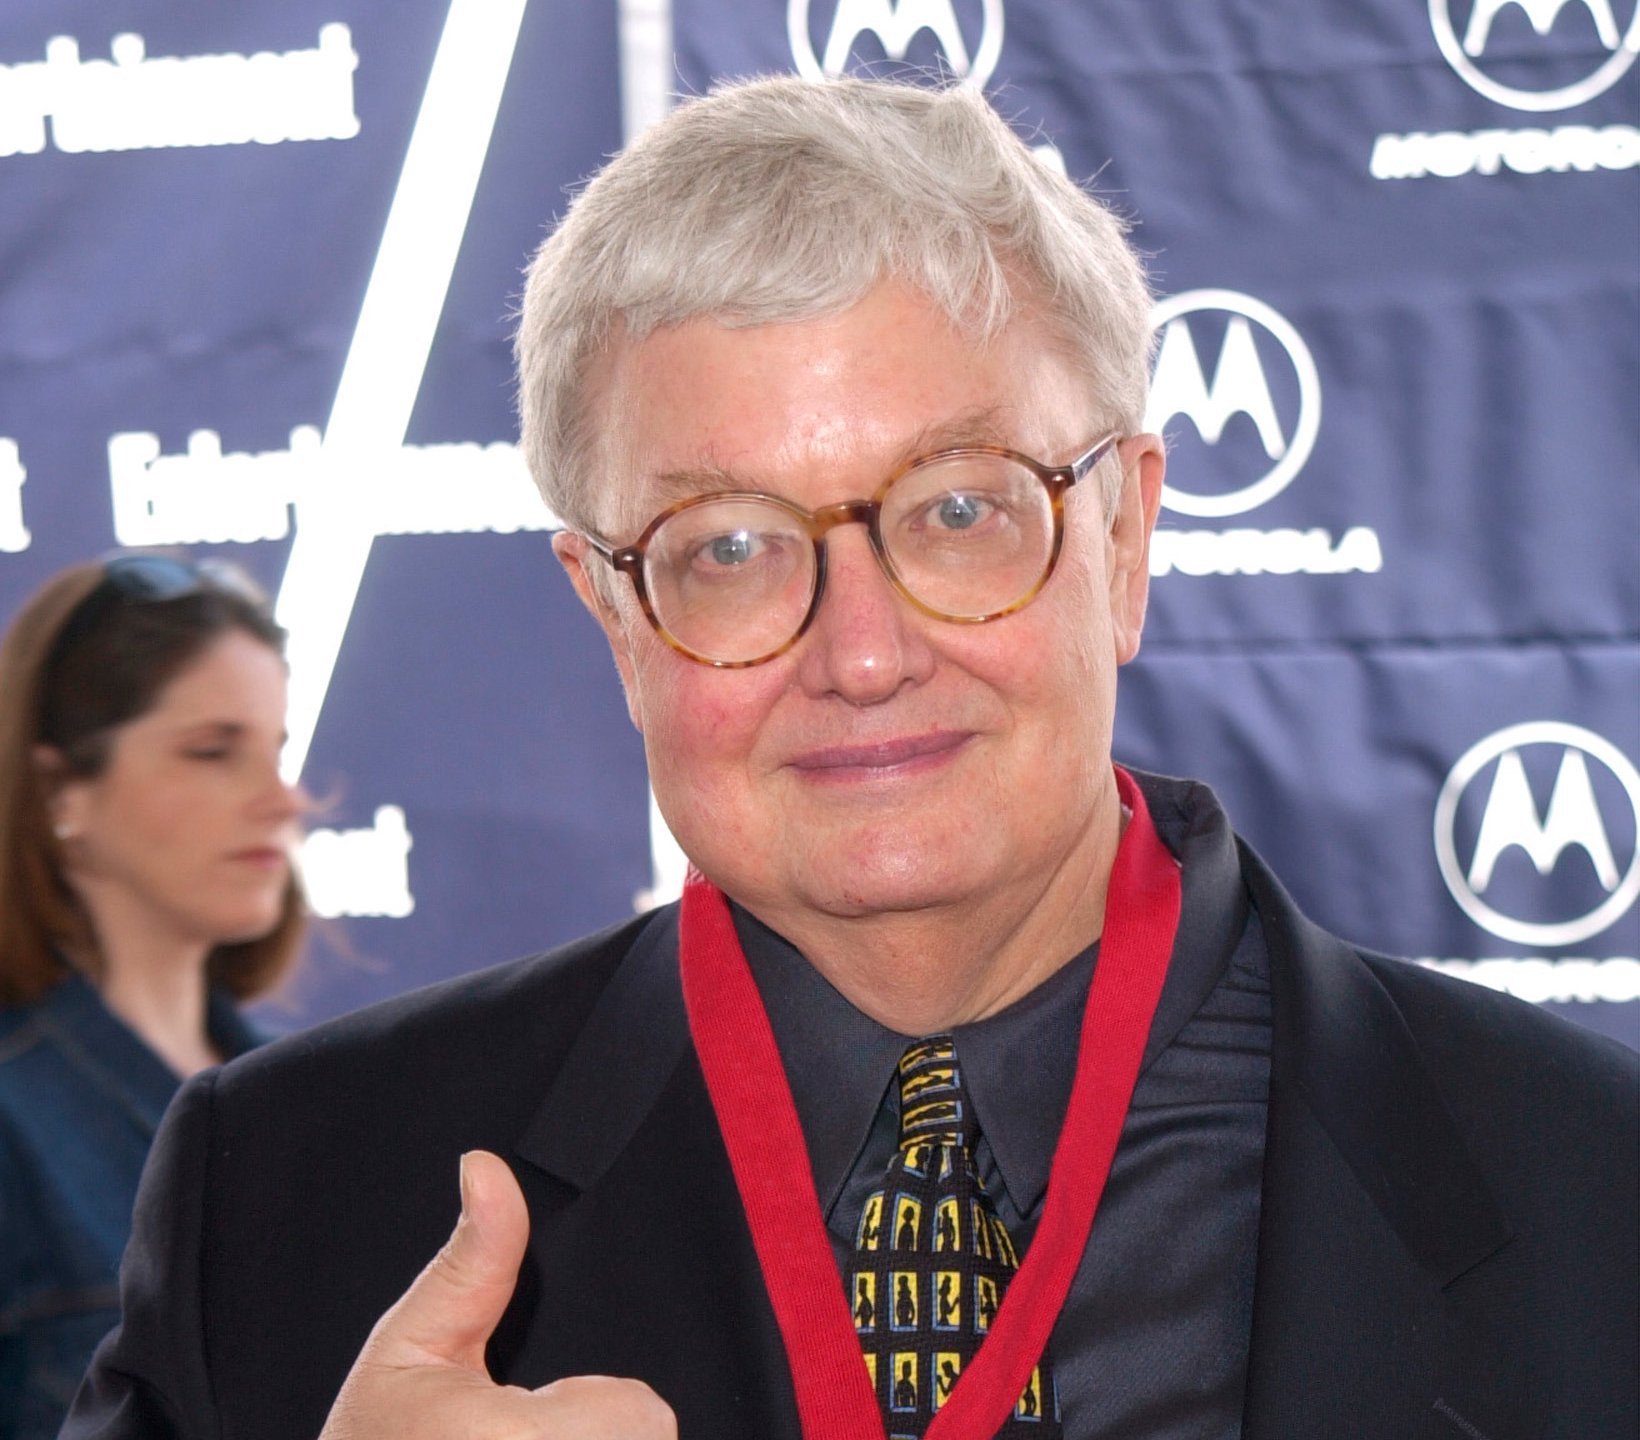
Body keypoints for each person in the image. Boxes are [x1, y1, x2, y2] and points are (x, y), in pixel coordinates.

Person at [65, 76, 1635, 1440]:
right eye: (730, 545)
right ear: (614, 615)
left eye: (959, 509)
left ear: (1128, 535)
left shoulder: (1590, 1188)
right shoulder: (286, 1200)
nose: (863, 652)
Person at [0, 556, 305, 1440]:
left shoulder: (315, 1093)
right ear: (61, 791)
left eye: (276, 751)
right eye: (213, 752)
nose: (279, 800)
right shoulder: (15, 1125)